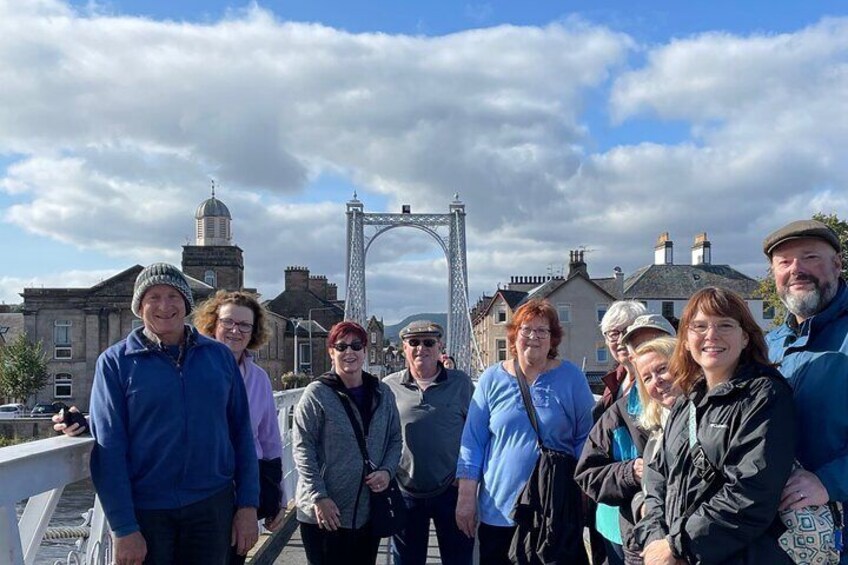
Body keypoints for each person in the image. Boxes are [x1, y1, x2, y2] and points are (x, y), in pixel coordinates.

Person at [88, 263, 259, 565]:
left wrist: (247, 505)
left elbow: (241, 434)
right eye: (153, 297)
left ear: (186, 303)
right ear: (140, 306)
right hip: (148, 513)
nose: (164, 306)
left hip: (212, 506)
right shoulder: (115, 363)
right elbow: (108, 450)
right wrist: (123, 527)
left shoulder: (218, 356)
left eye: (173, 296)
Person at [637, 287, 797, 564]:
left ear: (745, 337)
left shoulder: (764, 396)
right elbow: (657, 480)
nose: (711, 336)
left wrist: (678, 546)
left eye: (725, 325)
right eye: (699, 326)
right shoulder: (686, 401)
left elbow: (751, 491)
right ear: (685, 340)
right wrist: (654, 539)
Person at [455, 299, 595, 564]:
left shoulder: (571, 378)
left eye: (543, 331)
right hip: (499, 509)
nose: (534, 337)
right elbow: (472, 441)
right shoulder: (491, 379)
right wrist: (465, 497)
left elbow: (586, 439)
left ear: (553, 339)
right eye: (526, 329)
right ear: (514, 335)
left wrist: (583, 494)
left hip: (554, 510)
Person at [763, 219, 848, 562]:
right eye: (784, 262)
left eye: (810, 257)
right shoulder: (769, 346)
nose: (796, 269)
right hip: (777, 541)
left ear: (837, 264)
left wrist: (829, 481)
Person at [293, 321, 403, 564]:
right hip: (324, 511)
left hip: (366, 510)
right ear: (331, 351)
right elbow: (303, 448)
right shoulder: (317, 393)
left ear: (365, 350)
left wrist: (387, 470)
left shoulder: (382, 393)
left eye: (356, 345)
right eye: (341, 347)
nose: (349, 352)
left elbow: (395, 438)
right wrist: (318, 496)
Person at [193, 290, 286, 564]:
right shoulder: (191, 368)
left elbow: (270, 441)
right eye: (228, 322)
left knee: (235, 557)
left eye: (245, 325)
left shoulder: (258, 378)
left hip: (245, 488)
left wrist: (279, 495)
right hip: (203, 488)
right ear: (213, 324)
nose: (236, 330)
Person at [575, 320, 676, 565]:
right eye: (639, 349)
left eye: (655, 343)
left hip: (689, 538)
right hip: (628, 536)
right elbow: (588, 473)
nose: (647, 353)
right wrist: (631, 471)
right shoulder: (618, 413)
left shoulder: (704, 406)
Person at [384, 321, 475, 565]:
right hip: (405, 491)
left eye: (428, 342)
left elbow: (476, 434)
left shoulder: (461, 383)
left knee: (459, 560)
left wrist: (469, 482)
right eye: (413, 342)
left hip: (451, 489)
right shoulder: (388, 387)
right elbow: (378, 435)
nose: (420, 348)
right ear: (404, 348)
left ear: (440, 346)